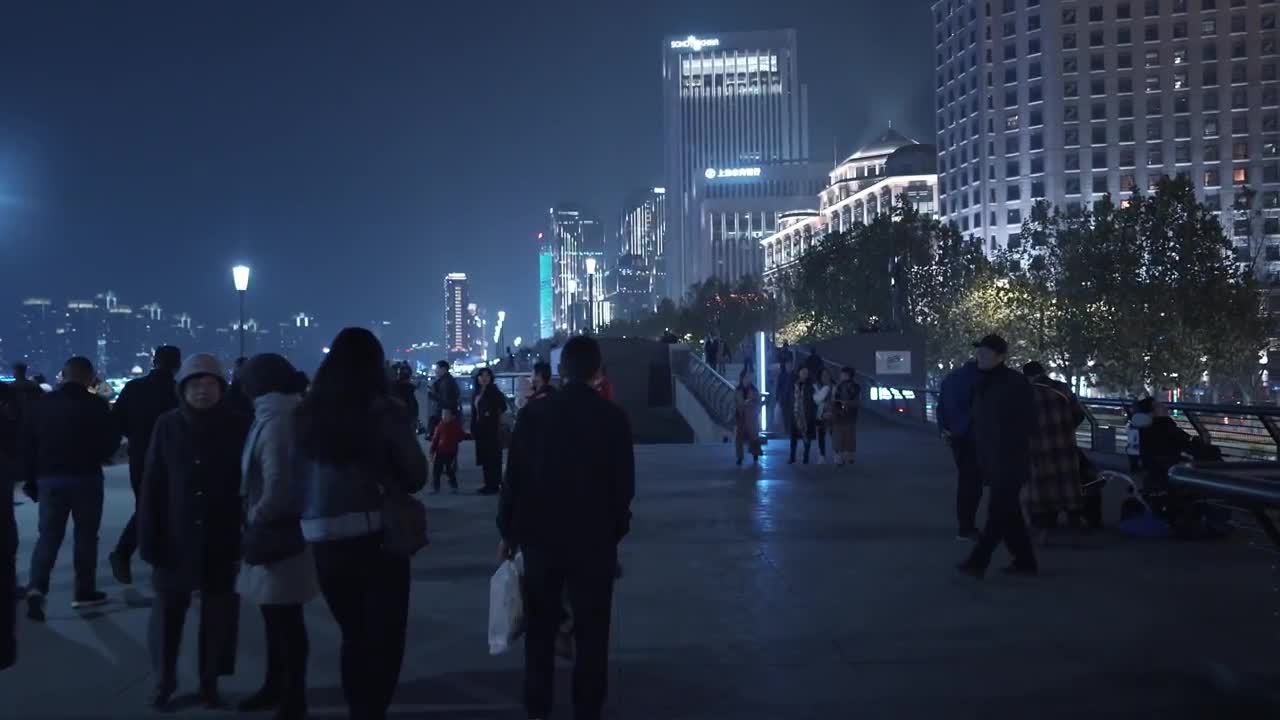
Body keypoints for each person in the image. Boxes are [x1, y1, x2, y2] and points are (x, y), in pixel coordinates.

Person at [498, 335, 635, 720]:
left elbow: (515, 481)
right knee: (593, 634)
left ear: (560, 371)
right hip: (594, 543)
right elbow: (624, 488)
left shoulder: (533, 415)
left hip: (540, 540)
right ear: (597, 371)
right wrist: (614, 531)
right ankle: (587, 708)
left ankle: (538, 705)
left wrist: (507, 533)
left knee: (539, 631)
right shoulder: (613, 418)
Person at [296, 328, 427, 720]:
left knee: (353, 635)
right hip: (375, 535)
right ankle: (371, 711)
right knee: (385, 637)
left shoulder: (305, 413)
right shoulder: (383, 409)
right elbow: (416, 473)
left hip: (323, 537)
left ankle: (358, 708)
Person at [138, 354, 251, 709]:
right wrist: (148, 536)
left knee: (219, 615)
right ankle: (163, 679)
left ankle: (210, 680)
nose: (203, 390)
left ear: (222, 388)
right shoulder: (167, 425)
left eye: (210, 384)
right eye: (195, 384)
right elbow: (153, 482)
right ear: (182, 388)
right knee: (167, 614)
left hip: (222, 534)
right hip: (174, 533)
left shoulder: (237, 425)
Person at [236, 354, 316, 719]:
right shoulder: (276, 414)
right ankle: (277, 686)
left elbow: (279, 487)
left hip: (277, 532)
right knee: (278, 617)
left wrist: (255, 516)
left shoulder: (277, 420)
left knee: (285, 621)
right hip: (277, 528)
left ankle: (291, 696)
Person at [21, 356, 120, 621]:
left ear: (63, 375)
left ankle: (37, 588)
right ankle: (84, 592)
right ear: (89, 377)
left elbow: (29, 444)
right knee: (86, 537)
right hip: (86, 477)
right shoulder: (97, 405)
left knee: (49, 537)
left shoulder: (41, 405)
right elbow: (112, 440)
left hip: (50, 479)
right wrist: (97, 456)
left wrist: (31, 479)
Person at [957, 335, 1037, 579]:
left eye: (986, 353)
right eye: (979, 353)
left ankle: (977, 561)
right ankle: (1025, 561)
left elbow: (1026, 422)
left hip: (1008, 459)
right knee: (1009, 513)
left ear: (1000, 356)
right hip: (995, 459)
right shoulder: (987, 382)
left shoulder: (1012, 384)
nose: (980, 356)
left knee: (997, 513)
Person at [109, 345, 181, 586]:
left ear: (154, 361)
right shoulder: (177, 391)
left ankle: (131, 555)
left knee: (146, 505)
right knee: (166, 506)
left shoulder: (134, 387)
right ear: (177, 365)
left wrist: (136, 437)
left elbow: (117, 420)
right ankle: (144, 558)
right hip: (171, 457)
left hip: (140, 455)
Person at [1021, 362, 1086, 535]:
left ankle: (1045, 523)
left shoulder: (1026, 393)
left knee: (1042, 483)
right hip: (1064, 445)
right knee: (1068, 481)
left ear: (1027, 376)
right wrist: (1065, 430)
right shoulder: (1062, 388)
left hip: (1038, 447)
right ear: (1043, 372)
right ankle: (1074, 522)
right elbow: (1079, 414)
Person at [937, 358, 982, 540]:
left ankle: (966, 526)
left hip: (956, 436)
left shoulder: (951, 379)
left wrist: (944, 430)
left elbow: (941, 408)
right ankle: (969, 528)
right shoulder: (979, 379)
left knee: (966, 481)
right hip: (976, 436)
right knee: (976, 483)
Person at [472, 367, 508, 496]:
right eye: (482, 376)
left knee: (493, 457)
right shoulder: (477, 392)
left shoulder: (494, 391)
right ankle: (488, 483)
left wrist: (491, 414)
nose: (484, 378)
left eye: (487, 375)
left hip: (491, 429)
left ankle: (494, 485)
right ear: (478, 378)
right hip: (481, 428)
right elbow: (474, 411)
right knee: (485, 457)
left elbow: (503, 406)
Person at [830, 367, 861, 466]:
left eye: (842, 374)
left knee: (845, 437)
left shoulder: (853, 387)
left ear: (847, 375)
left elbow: (857, 402)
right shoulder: (852, 386)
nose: (841, 376)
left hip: (846, 415)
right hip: (843, 415)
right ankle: (843, 457)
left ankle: (844, 457)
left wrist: (846, 403)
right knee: (843, 436)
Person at [430, 407, 463, 494]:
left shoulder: (455, 426)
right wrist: (432, 450)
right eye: (443, 415)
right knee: (436, 470)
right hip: (440, 451)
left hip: (450, 452)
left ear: (452, 416)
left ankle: (454, 486)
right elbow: (435, 439)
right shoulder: (440, 426)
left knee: (449, 469)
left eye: (446, 414)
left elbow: (461, 436)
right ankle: (436, 487)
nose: (444, 416)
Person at [789, 366, 817, 465]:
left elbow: (813, 399)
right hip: (795, 412)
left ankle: (806, 457)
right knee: (793, 436)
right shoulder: (794, 384)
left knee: (807, 435)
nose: (805, 374)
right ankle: (792, 457)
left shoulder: (810, 385)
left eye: (806, 372)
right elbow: (790, 396)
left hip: (806, 413)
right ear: (799, 372)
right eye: (803, 372)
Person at [734, 369, 763, 465]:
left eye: (748, 377)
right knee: (739, 438)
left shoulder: (754, 390)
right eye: (745, 377)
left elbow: (758, 402)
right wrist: (740, 406)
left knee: (754, 437)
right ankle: (739, 457)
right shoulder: (738, 390)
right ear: (741, 378)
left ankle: (755, 454)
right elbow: (735, 403)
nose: (747, 379)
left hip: (751, 417)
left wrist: (753, 407)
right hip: (741, 417)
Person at [426, 360, 460, 440]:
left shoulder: (446, 382)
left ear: (444, 369)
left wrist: (432, 394)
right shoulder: (446, 380)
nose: (435, 370)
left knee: (444, 440)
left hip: (445, 415)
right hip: (444, 413)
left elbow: (446, 401)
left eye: (437, 368)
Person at [812, 368, 834, 464]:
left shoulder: (834, 386)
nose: (825, 377)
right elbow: (816, 399)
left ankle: (837, 453)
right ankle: (822, 455)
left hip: (833, 413)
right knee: (821, 435)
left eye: (827, 374)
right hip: (820, 414)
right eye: (823, 375)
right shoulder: (817, 387)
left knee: (834, 434)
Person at [391, 363, 421, 431]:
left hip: (396, 420)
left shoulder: (392, 387)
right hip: (408, 420)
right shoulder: (411, 389)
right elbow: (413, 407)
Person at [775, 357, 794, 437]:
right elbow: (778, 387)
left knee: (791, 415)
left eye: (790, 365)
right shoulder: (782, 375)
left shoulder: (794, 375)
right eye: (787, 365)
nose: (789, 366)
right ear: (786, 366)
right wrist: (778, 397)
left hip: (792, 398)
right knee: (786, 415)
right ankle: (787, 430)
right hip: (784, 398)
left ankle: (790, 430)